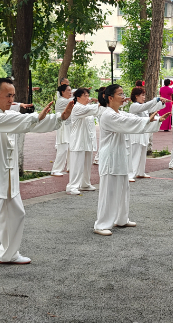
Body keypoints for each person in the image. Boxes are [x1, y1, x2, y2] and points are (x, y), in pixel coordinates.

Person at [0, 78, 71, 282]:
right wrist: (36, 117)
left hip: (8, 178)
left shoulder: (8, 115)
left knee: (17, 214)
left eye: (13, 95)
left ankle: (9, 253)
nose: (12, 99)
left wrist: (60, 118)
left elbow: (30, 125)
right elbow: (20, 122)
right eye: (8, 95)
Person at [93, 84, 165, 235]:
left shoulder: (119, 113)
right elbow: (128, 124)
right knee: (109, 191)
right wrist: (148, 121)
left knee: (123, 188)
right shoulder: (107, 115)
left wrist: (155, 120)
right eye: (119, 94)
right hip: (110, 156)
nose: (123, 96)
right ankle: (101, 224)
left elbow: (131, 118)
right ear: (110, 98)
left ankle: (121, 219)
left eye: (123, 93)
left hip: (120, 155)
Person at [127, 87, 165, 181]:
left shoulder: (142, 107)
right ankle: (129, 175)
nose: (144, 97)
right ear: (136, 96)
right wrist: (156, 99)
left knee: (142, 154)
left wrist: (162, 102)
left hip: (143, 133)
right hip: (136, 134)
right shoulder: (134, 106)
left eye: (144, 95)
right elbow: (147, 106)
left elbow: (151, 107)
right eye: (142, 95)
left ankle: (140, 172)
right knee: (135, 154)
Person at [65, 89, 99, 195]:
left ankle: (85, 183)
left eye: (88, 95)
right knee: (77, 164)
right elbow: (92, 109)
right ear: (78, 98)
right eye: (85, 95)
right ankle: (72, 186)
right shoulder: (77, 108)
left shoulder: (86, 108)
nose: (87, 97)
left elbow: (97, 111)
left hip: (87, 140)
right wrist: (101, 102)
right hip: (78, 140)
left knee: (87, 163)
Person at [50, 84, 74, 176]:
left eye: (71, 90)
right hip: (63, 127)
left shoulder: (67, 100)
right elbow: (74, 102)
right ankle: (55, 169)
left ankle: (70, 168)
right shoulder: (61, 101)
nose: (70, 92)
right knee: (63, 149)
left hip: (69, 127)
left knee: (70, 148)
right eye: (68, 90)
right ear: (62, 92)